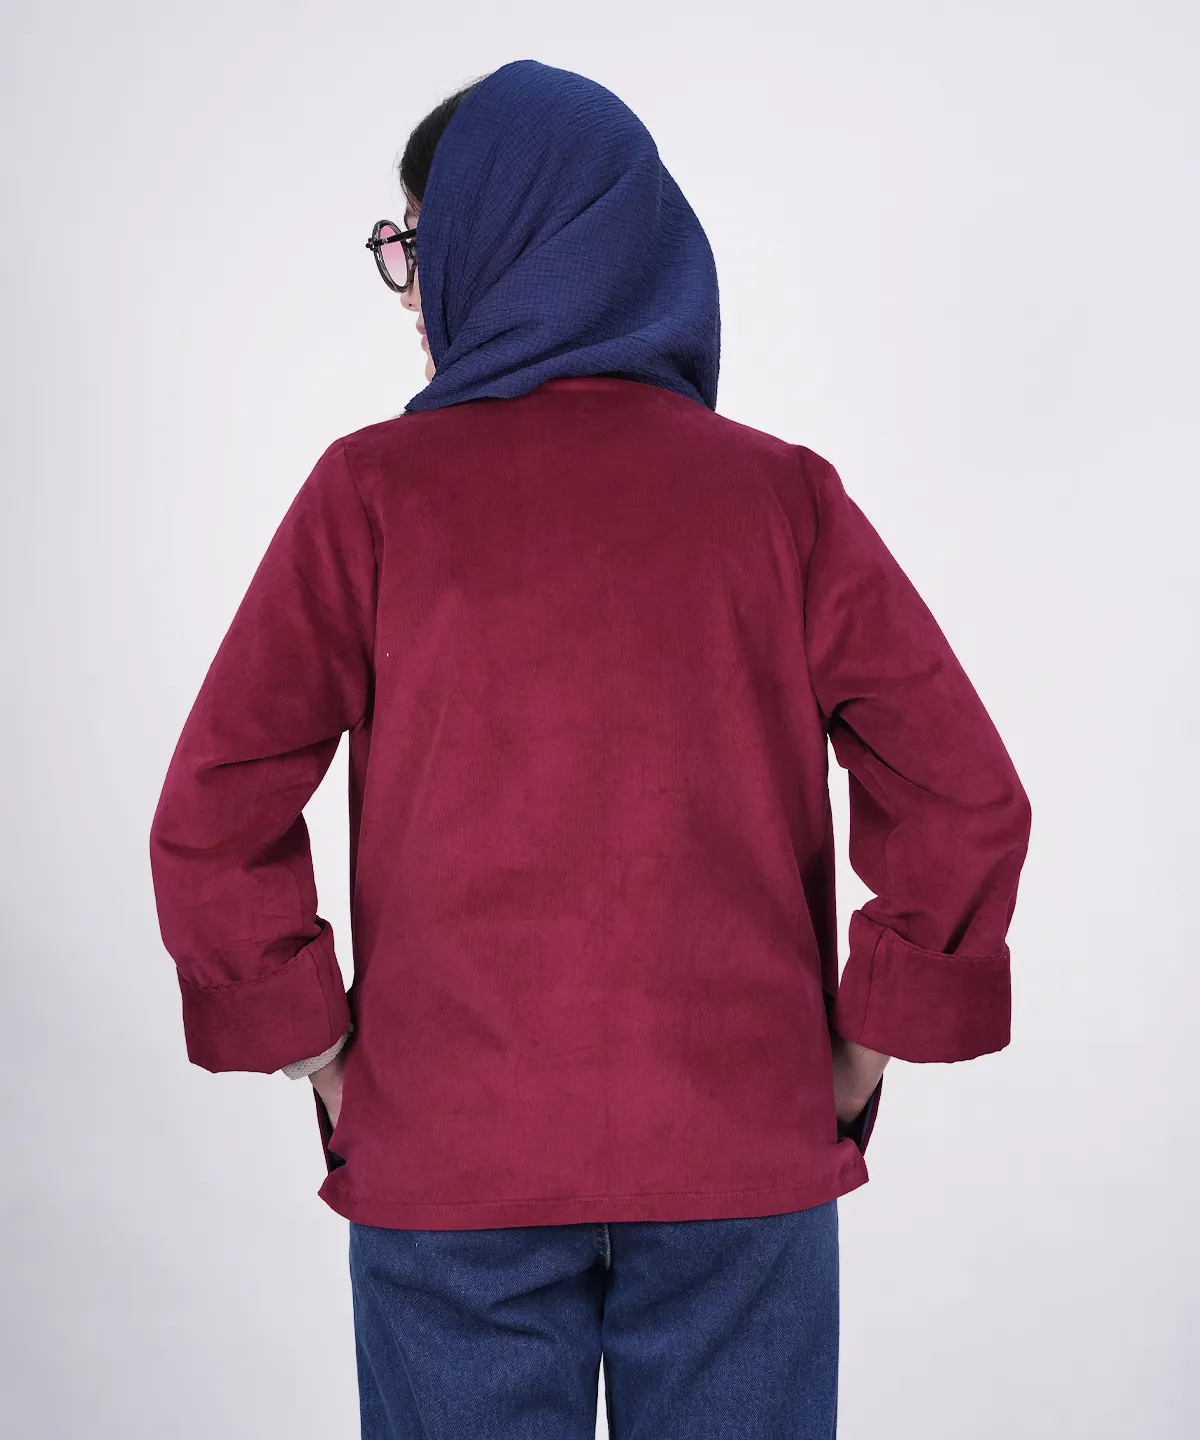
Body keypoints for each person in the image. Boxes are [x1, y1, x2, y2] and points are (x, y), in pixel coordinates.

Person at [148, 58, 1032, 1439]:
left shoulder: (371, 495)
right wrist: (866, 1043)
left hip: (451, 1159)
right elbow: (964, 792)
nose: (411, 293)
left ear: (505, 243)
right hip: (741, 1151)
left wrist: (313, 1046)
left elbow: (216, 803)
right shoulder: (780, 500)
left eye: (418, 247)